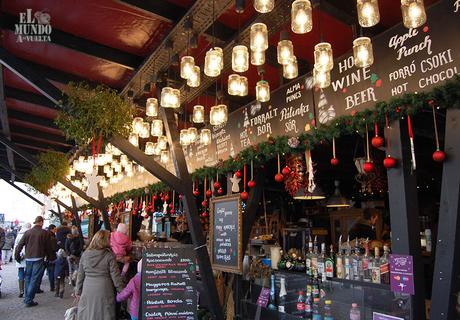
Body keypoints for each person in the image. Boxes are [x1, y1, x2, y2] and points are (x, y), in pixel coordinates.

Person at [75, 230, 124, 320]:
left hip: (88, 288)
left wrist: (78, 291)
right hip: (104, 289)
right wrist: (122, 291)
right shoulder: (109, 255)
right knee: (104, 313)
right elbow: (116, 277)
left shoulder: (85, 254)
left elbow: (80, 275)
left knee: (88, 313)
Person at [14, 216, 54, 307]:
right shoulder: (44, 233)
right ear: (41, 222)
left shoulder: (28, 232)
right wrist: (50, 257)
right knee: (34, 279)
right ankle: (28, 300)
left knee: (28, 278)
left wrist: (17, 256)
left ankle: (27, 298)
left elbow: (19, 245)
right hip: (38, 257)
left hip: (29, 258)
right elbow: (48, 247)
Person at [13, 222, 32, 298]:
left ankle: (21, 291)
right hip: (27, 256)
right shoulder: (29, 234)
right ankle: (27, 290)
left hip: (19, 256)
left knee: (20, 273)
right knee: (28, 274)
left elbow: (16, 246)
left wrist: (16, 256)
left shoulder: (18, 235)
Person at [46, 224, 58, 292]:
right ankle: (53, 286)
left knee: (50, 271)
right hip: (52, 257)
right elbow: (54, 248)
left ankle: (52, 286)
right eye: (55, 229)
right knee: (52, 271)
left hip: (47, 257)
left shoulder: (46, 235)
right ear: (52, 229)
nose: (56, 230)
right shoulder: (52, 237)